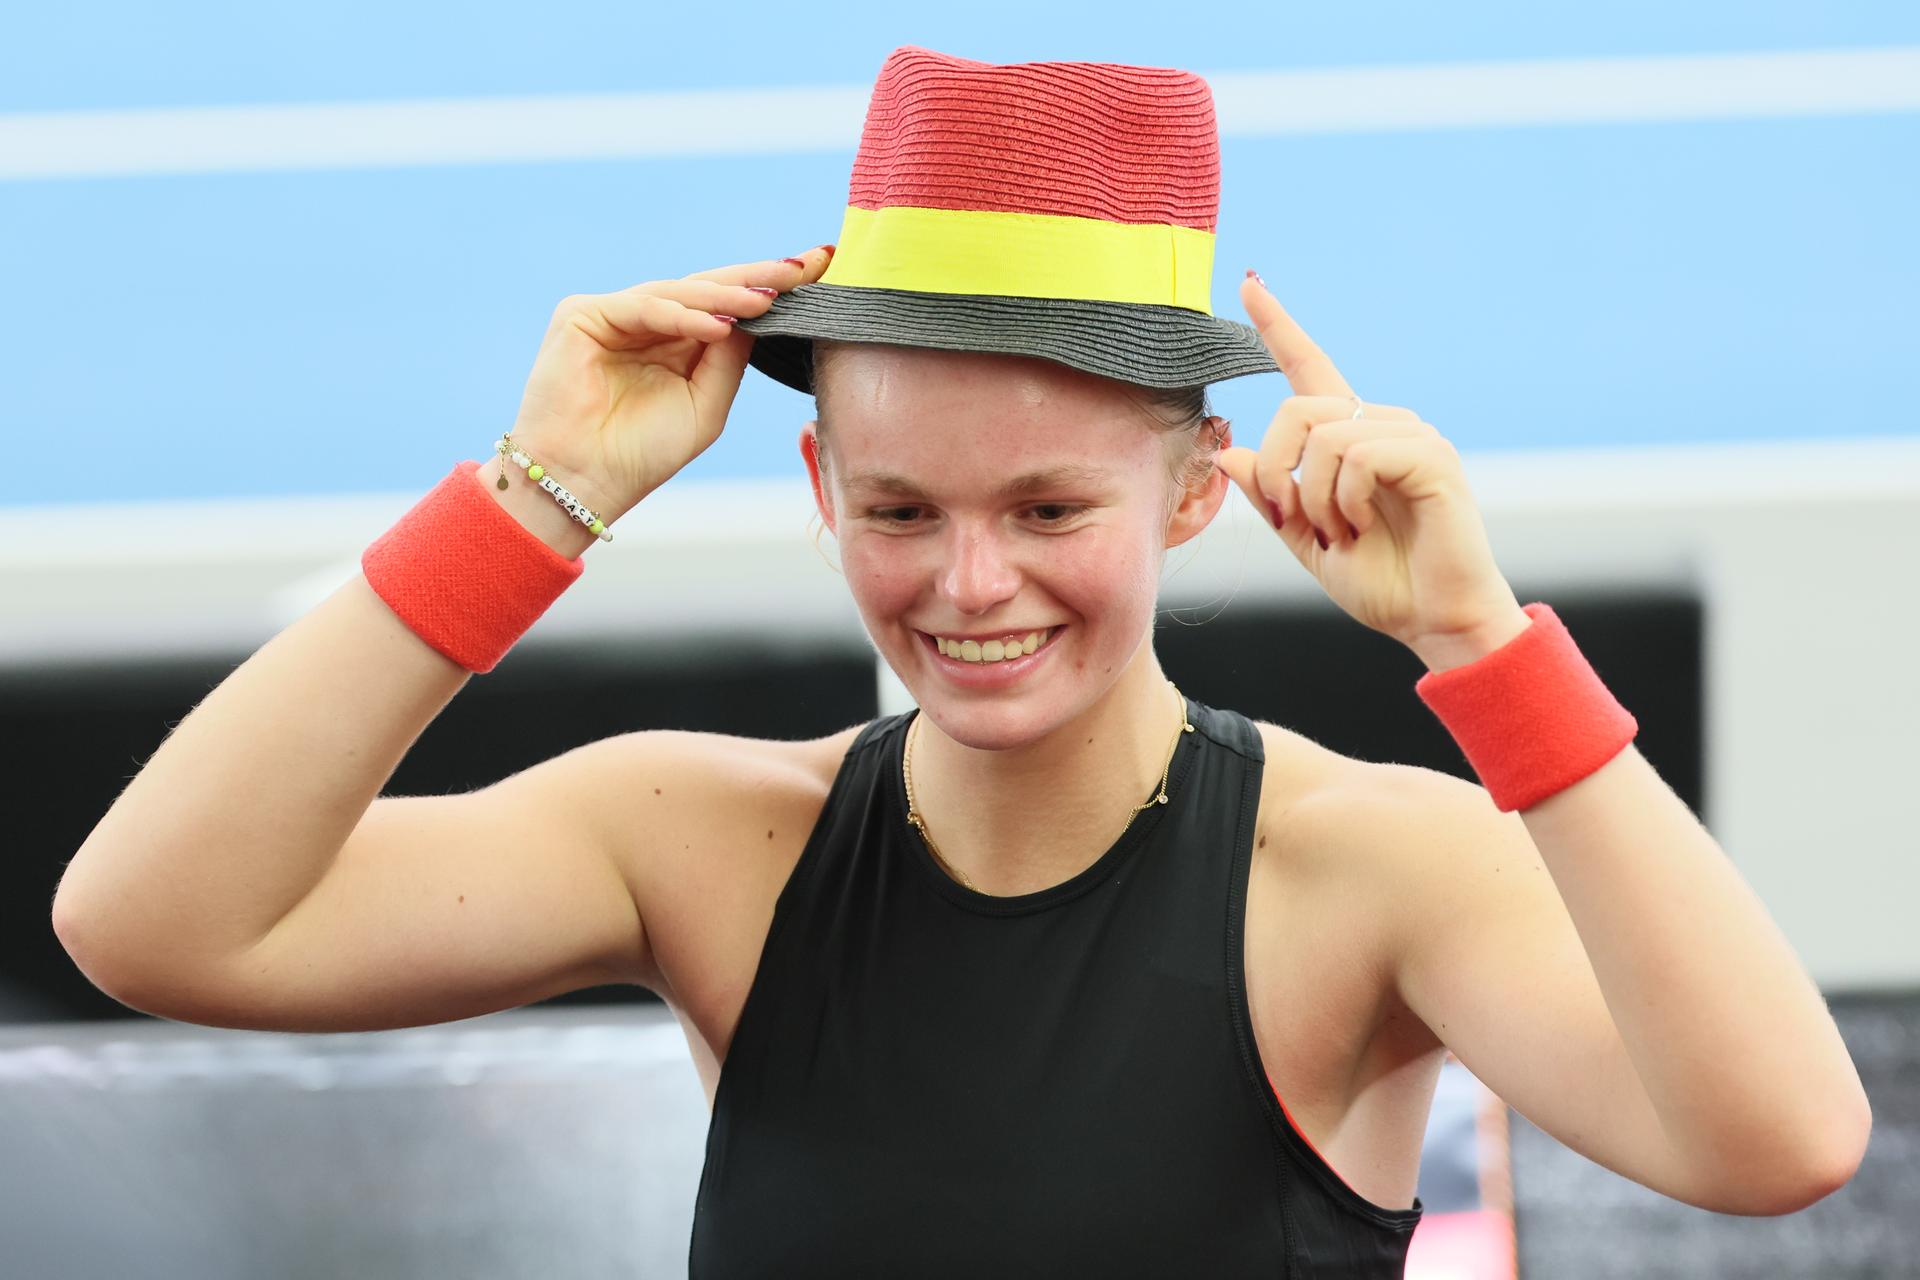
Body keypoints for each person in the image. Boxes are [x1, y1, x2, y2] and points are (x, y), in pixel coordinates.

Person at [51, 45, 1870, 1280]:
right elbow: (154, 925)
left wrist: (1481, 646)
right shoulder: (702, 839)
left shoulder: (1365, 868)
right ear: (819, 483)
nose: (970, 583)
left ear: (1192, 495)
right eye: (901, 509)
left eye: (1050, 509)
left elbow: (1777, 1140)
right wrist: (535, 502)